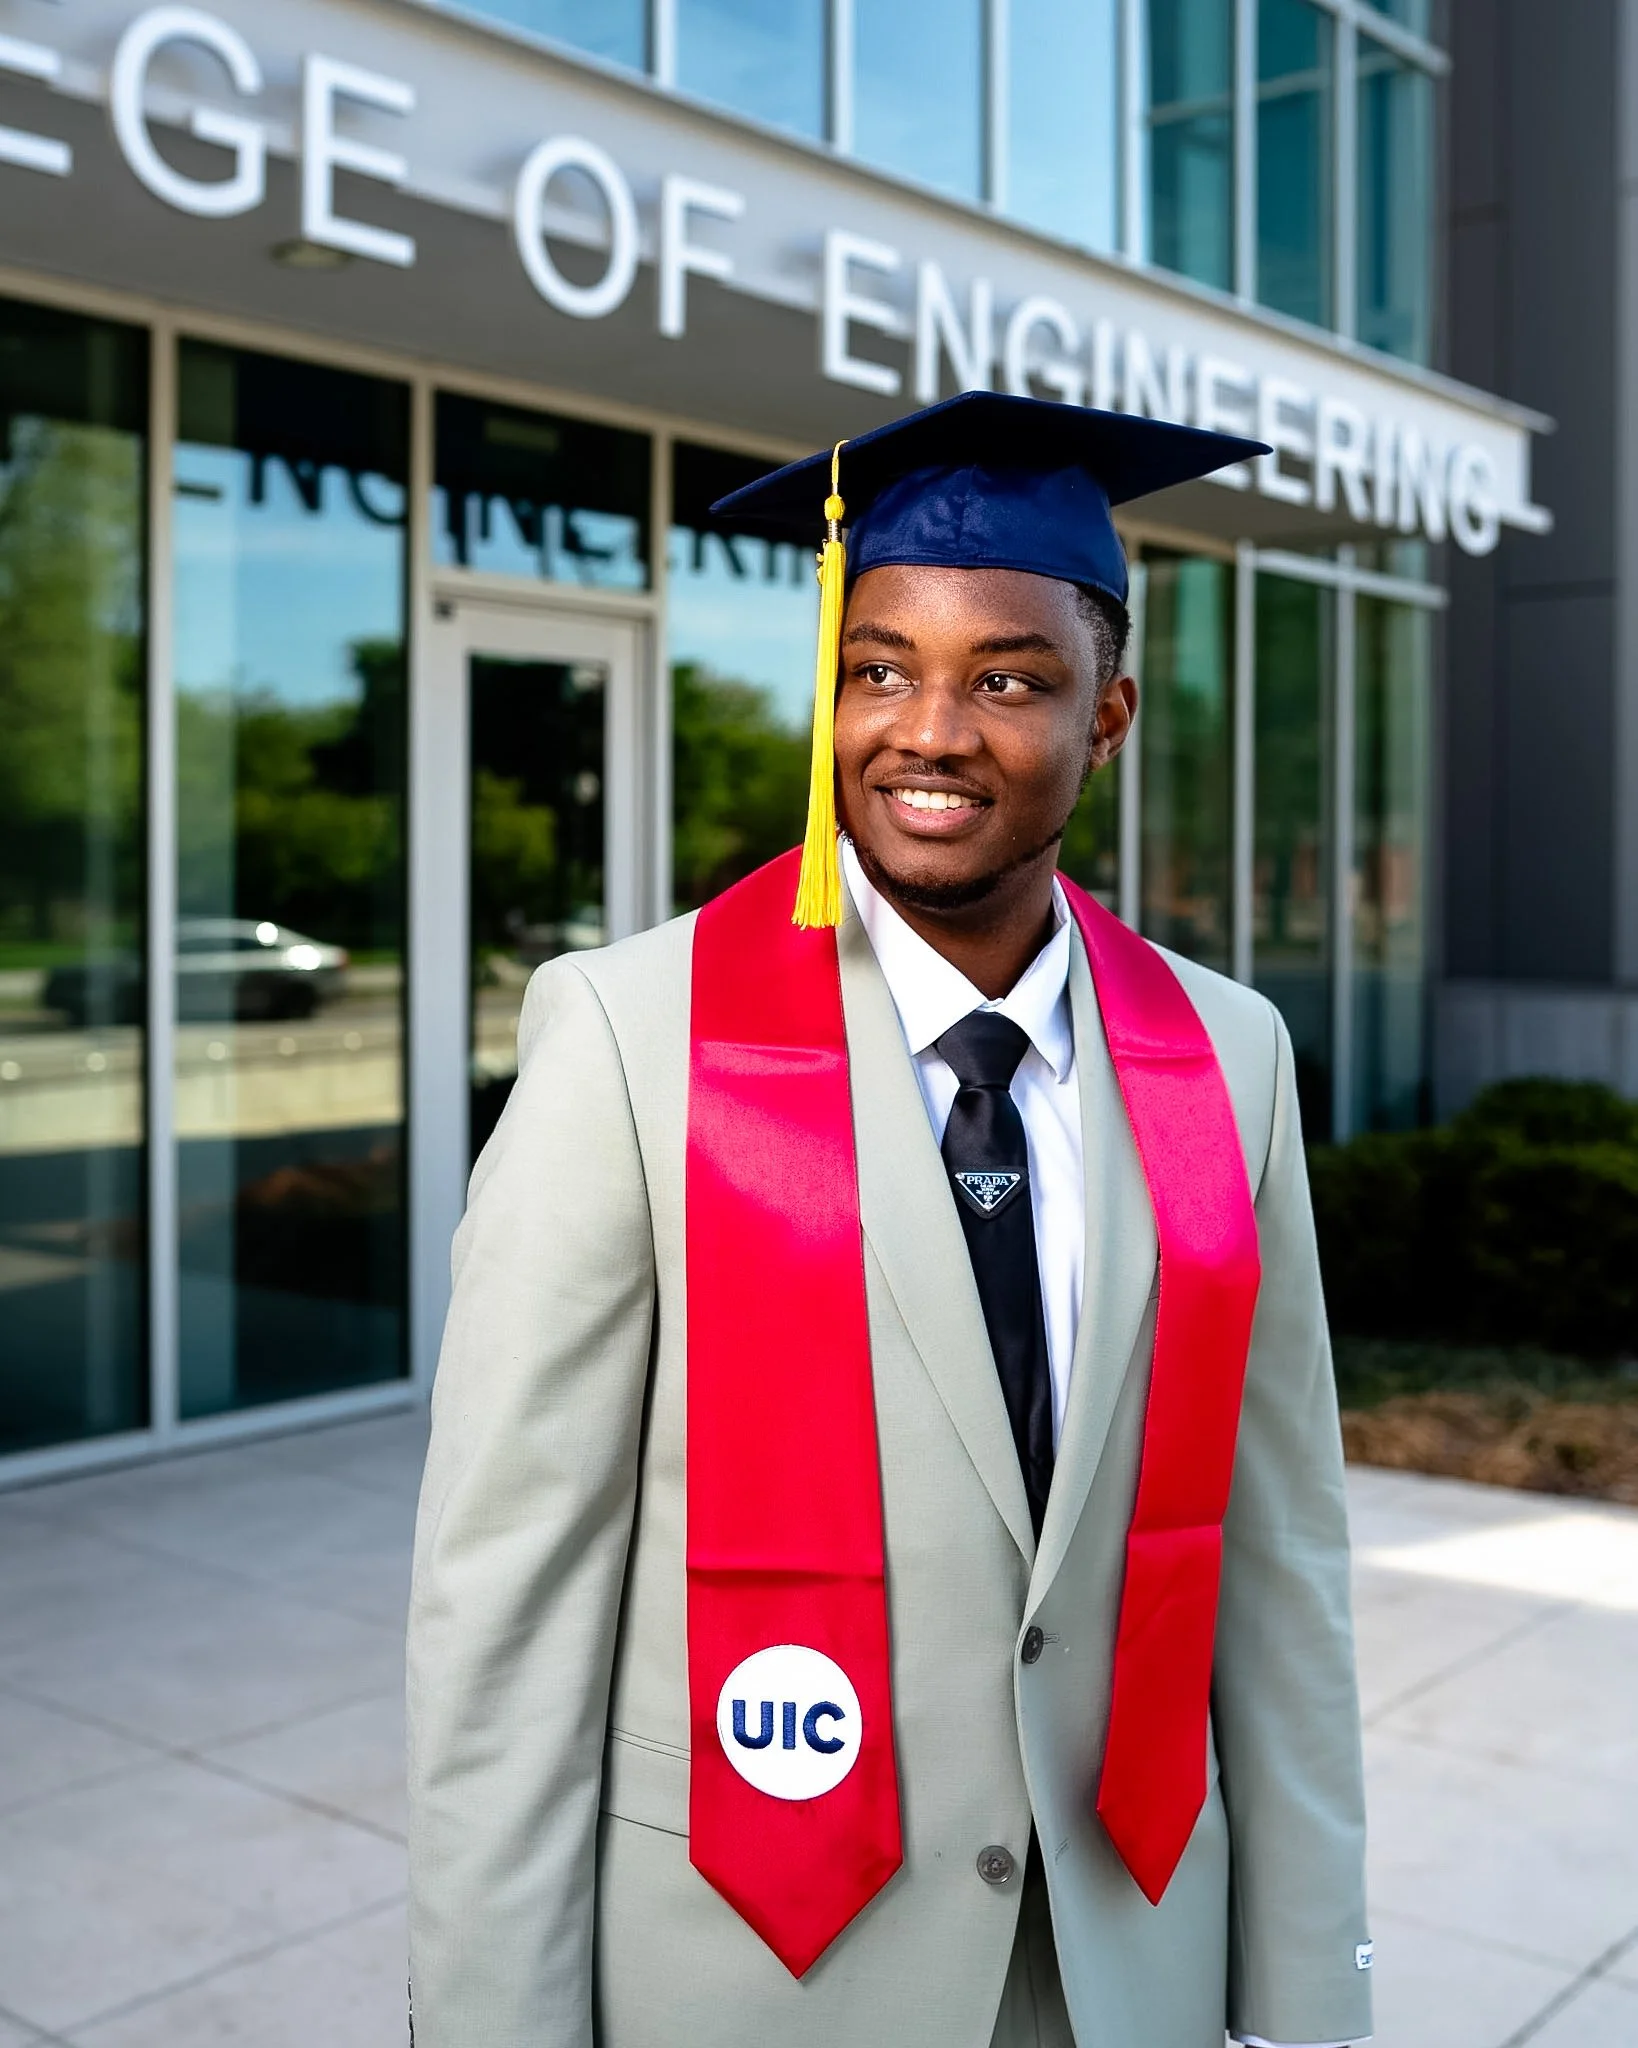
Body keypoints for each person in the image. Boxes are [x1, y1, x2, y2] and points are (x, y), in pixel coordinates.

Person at [406, 391, 1373, 2048]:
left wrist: (1303, 2000)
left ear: (1110, 712)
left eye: (1007, 677)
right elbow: (507, 1606)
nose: (928, 729)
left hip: (1123, 1969)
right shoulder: (632, 1040)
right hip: (752, 1965)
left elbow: (1276, 1569)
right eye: (879, 669)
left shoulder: (1226, 1055)